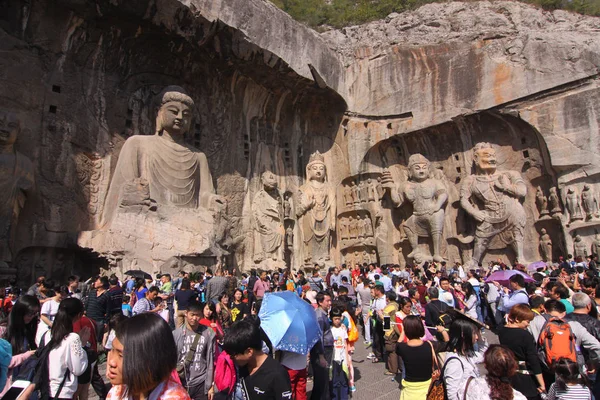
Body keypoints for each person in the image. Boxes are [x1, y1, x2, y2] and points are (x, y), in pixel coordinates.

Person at [106, 313, 191, 399]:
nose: (111, 362)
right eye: (112, 350)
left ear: (150, 360)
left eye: (121, 355)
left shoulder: (175, 397)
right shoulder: (116, 392)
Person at [222, 319, 291, 400]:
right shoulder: (243, 366)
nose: (231, 358)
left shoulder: (277, 374)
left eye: (233, 355)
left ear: (249, 352)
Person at [46, 298, 90, 399]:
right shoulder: (72, 338)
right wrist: (82, 345)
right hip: (63, 391)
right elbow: (78, 369)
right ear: (79, 315)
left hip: (46, 389)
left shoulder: (47, 335)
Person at [498, 304, 545, 399]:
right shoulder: (525, 335)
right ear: (517, 319)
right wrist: (541, 383)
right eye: (527, 321)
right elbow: (533, 359)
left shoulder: (502, 331)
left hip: (508, 372)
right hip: (525, 376)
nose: (528, 324)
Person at [396, 316, 446, 400]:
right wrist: (443, 331)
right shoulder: (430, 345)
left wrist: (403, 331)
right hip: (428, 388)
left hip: (409, 389)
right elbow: (447, 344)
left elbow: (398, 344)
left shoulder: (402, 348)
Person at [173, 302, 216, 400]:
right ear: (186, 313)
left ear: (201, 315)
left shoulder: (209, 333)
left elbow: (212, 360)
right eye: (192, 315)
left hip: (201, 381)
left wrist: (211, 386)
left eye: (197, 315)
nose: (194, 318)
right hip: (181, 382)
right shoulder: (176, 335)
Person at [0, 295, 39, 396]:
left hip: (25, 383)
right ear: (20, 311)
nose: (32, 317)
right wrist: (25, 356)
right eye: (30, 313)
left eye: (35, 313)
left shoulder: (26, 330)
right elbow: (4, 362)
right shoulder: (3, 330)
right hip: (7, 387)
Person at [443, 319, 488, 400]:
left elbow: (484, 356)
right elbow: (452, 396)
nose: (477, 337)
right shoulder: (454, 362)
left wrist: (481, 338)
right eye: (474, 333)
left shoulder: (468, 354)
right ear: (463, 334)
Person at [310, 291, 333, 400]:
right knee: (322, 379)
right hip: (323, 350)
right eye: (327, 301)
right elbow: (319, 337)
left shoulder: (322, 313)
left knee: (320, 379)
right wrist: (321, 355)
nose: (330, 303)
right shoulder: (319, 315)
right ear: (320, 302)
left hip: (324, 349)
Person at [330, 307, 352, 399]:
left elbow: (346, 344)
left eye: (339, 318)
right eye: (335, 319)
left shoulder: (343, 329)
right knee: (334, 380)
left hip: (343, 358)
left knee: (343, 380)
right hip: (333, 358)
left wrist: (347, 359)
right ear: (331, 319)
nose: (337, 321)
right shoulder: (330, 330)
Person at [85, 276, 109, 344]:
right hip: (89, 319)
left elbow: (108, 309)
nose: (95, 283)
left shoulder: (106, 295)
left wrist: (106, 322)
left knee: (97, 339)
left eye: (97, 281)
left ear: (101, 284)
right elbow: (87, 303)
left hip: (99, 320)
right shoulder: (92, 292)